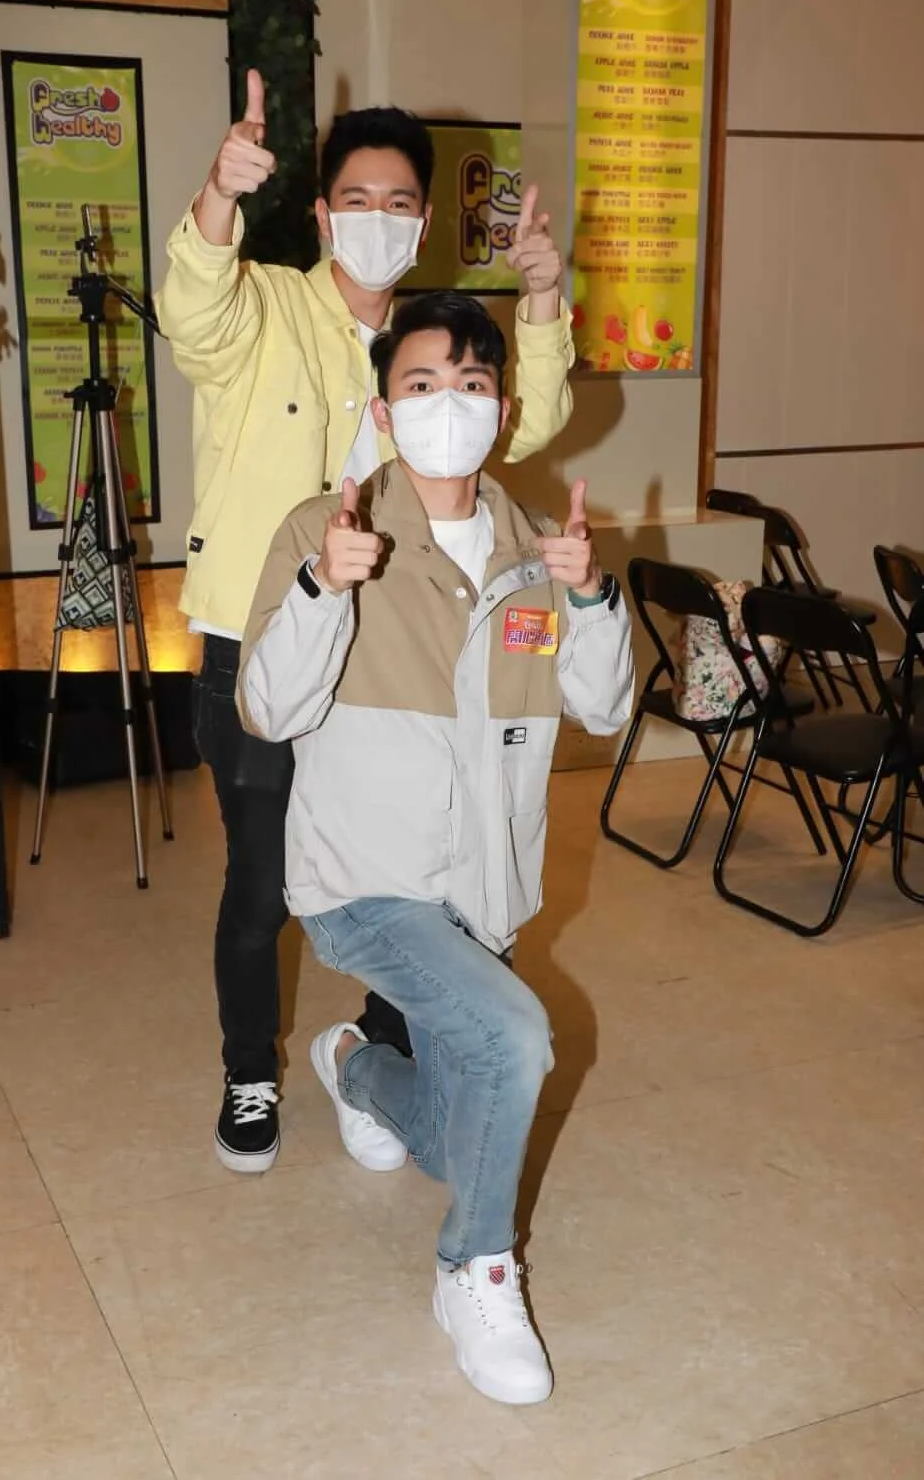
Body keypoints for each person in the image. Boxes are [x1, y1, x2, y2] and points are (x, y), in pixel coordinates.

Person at [156, 71, 575, 1175]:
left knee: (415, 878)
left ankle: (368, 1053)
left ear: (423, 221)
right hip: (266, 639)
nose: (377, 220)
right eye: (356, 199)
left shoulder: (430, 344)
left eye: (398, 203)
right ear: (320, 212)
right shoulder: (262, 305)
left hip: (396, 655)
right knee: (261, 885)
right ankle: (250, 1071)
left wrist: (540, 301)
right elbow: (190, 311)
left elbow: (524, 420)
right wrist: (216, 195)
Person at [236, 292, 634, 1404]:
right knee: (515, 1037)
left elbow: (605, 708)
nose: (444, 405)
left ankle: (358, 1069)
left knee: (468, 1142)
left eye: (469, 384)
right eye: (419, 384)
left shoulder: (537, 553)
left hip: (482, 893)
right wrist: (324, 586)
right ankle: (475, 1271)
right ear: (382, 409)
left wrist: (592, 596)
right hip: (362, 882)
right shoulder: (328, 532)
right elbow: (268, 708)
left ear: (501, 412)